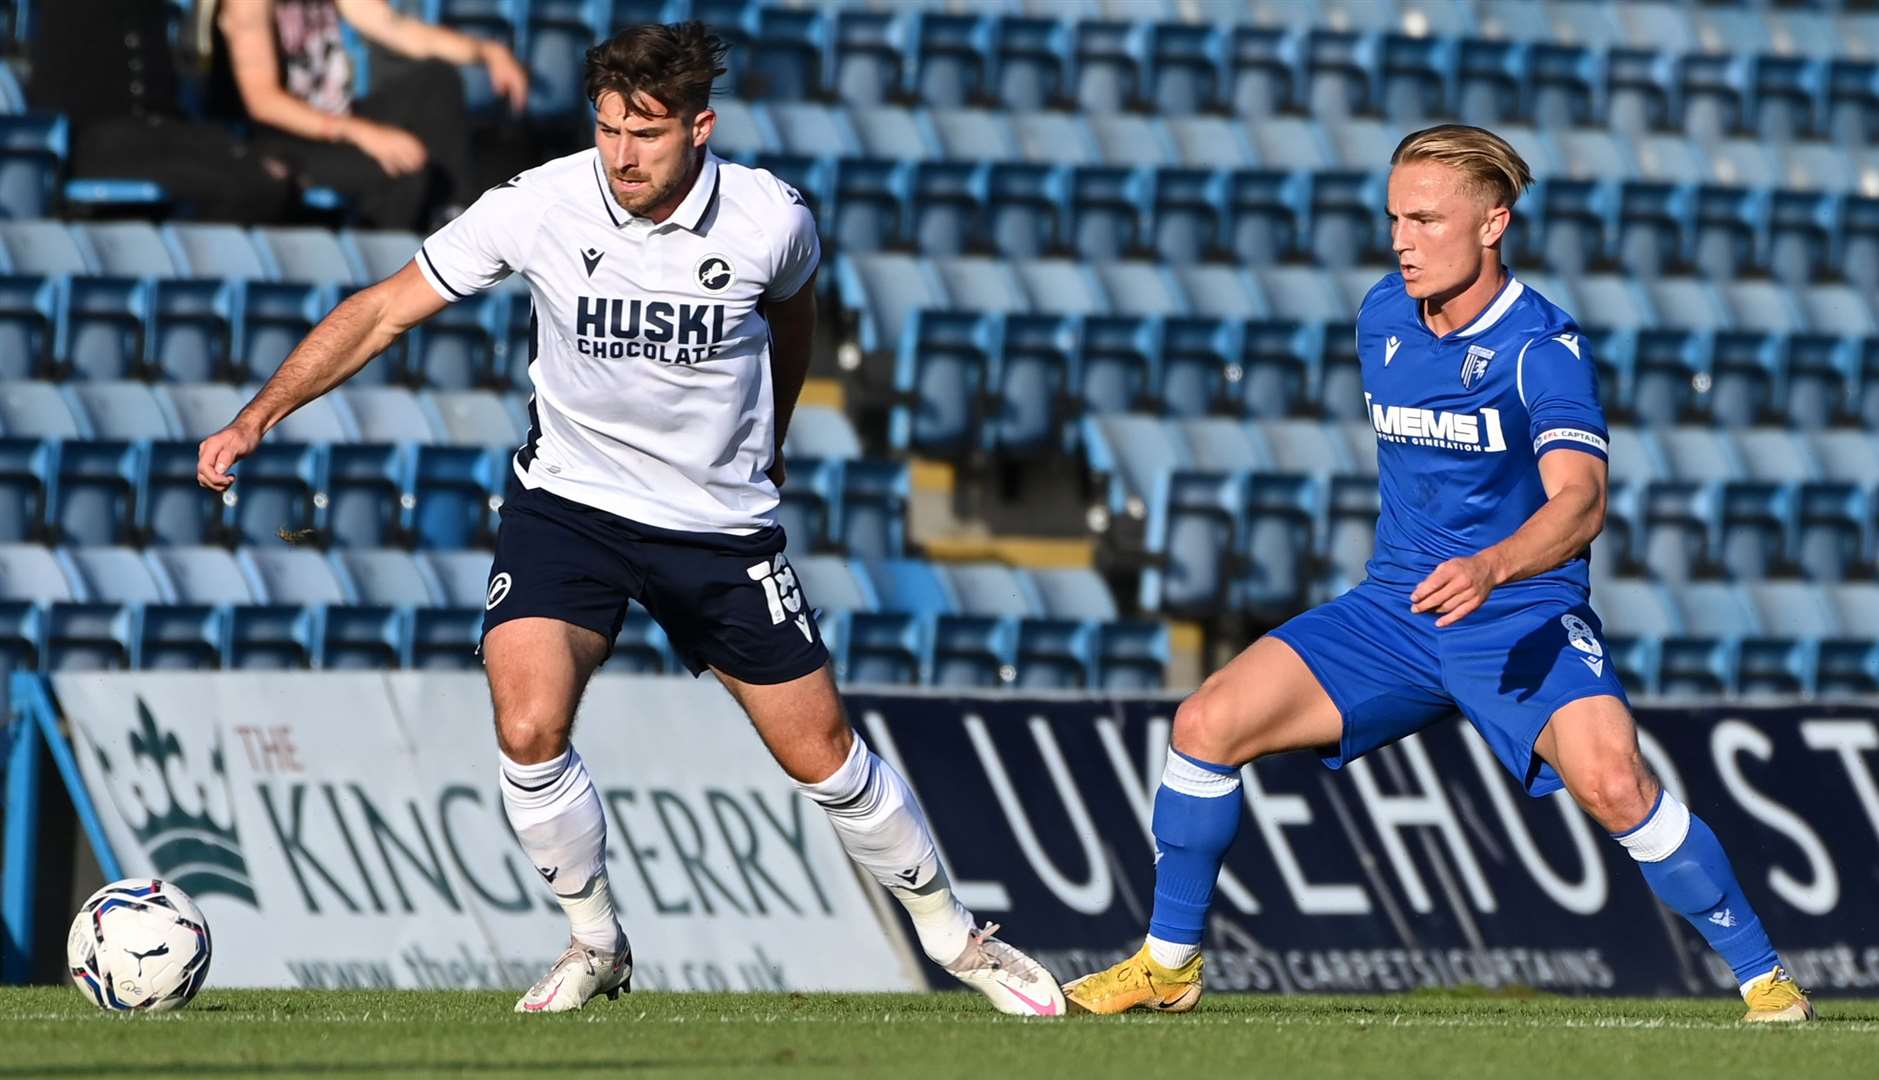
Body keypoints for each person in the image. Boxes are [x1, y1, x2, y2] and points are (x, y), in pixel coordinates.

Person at [194, 21, 1066, 1017]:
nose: (622, 155)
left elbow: (792, 314)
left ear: (701, 127)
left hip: (718, 528)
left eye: (645, 134)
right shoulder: (540, 204)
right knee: (527, 723)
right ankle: (594, 940)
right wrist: (258, 415)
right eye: (607, 129)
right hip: (570, 509)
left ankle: (959, 939)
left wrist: (770, 432)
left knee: (821, 752)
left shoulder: (769, 219)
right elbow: (385, 308)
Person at [1062, 124, 1815, 1025]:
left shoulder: (1543, 348)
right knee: (1205, 722)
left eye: (1424, 220)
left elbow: (1580, 502)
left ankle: (1765, 980)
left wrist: (1492, 567)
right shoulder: (1380, 315)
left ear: (1492, 223)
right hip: (1395, 611)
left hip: (1519, 614)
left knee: (1615, 783)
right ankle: (1167, 963)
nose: (1400, 240)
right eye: (1393, 219)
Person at [214, 0, 530, 229]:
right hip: (287, 139)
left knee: (436, 79)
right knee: (402, 168)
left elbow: (401, 31)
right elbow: (263, 102)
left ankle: (456, 215)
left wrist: (486, 51)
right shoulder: (247, 6)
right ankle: (386, 283)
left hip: (340, 119)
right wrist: (363, 134)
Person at [26, 0, 294, 223]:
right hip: (95, 137)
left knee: (267, 169)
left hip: (158, 130)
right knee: (238, 184)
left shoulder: (151, 11)